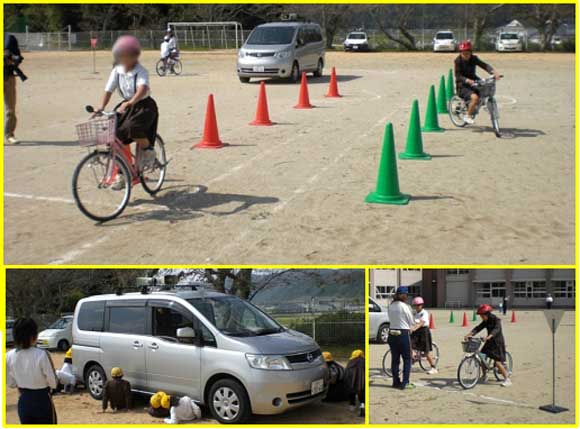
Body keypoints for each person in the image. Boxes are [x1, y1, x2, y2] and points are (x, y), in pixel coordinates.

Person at [94, 35, 159, 188]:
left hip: (144, 106)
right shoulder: (117, 70)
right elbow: (108, 90)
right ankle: (122, 174)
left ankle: (148, 150)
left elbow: (142, 89)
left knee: (132, 128)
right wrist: (101, 107)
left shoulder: (141, 71)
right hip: (127, 106)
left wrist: (131, 102)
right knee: (114, 136)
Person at [6, 318, 58, 424]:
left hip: (24, 400)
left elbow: (10, 382)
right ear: (33, 336)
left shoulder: (8, 356)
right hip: (42, 400)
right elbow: (53, 382)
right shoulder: (42, 354)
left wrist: (18, 383)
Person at [454, 40, 501, 124]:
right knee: (475, 98)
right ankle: (467, 116)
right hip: (462, 85)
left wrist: (493, 72)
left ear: (471, 52)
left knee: (485, 87)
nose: (465, 55)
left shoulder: (474, 58)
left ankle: (485, 105)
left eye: (467, 53)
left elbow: (484, 65)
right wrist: (466, 80)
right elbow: (458, 75)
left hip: (474, 80)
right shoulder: (458, 61)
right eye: (463, 53)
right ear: (460, 53)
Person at [465, 304, 512, 387]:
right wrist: (470, 334)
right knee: (482, 357)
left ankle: (507, 379)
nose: (481, 317)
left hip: (497, 342)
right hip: (489, 342)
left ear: (487, 314)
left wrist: (488, 336)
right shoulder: (486, 321)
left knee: (497, 363)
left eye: (482, 315)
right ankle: (484, 375)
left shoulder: (496, 320)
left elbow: (496, 330)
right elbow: (478, 327)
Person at [387, 287, 416, 390]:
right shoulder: (405, 306)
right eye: (406, 295)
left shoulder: (391, 306)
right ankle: (405, 382)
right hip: (403, 334)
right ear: (404, 296)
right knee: (407, 359)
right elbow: (412, 321)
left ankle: (395, 381)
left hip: (391, 333)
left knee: (395, 359)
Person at [4, 32, 24, 144]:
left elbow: (18, 56)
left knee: (10, 109)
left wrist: (12, 60)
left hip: (8, 77)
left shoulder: (9, 38)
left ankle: (9, 134)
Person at [410, 297, 438, 375]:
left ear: (422, 305)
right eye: (415, 305)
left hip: (424, 331)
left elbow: (421, 322)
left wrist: (413, 328)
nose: (417, 306)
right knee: (409, 344)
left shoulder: (424, 313)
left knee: (426, 352)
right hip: (416, 331)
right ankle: (414, 357)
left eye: (419, 305)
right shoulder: (414, 313)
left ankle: (433, 367)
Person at [344, 349, 365, 417]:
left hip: (351, 383)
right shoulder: (364, 361)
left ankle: (352, 406)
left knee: (352, 394)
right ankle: (362, 407)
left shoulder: (350, 362)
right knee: (362, 397)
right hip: (361, 383)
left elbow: (346, 373)